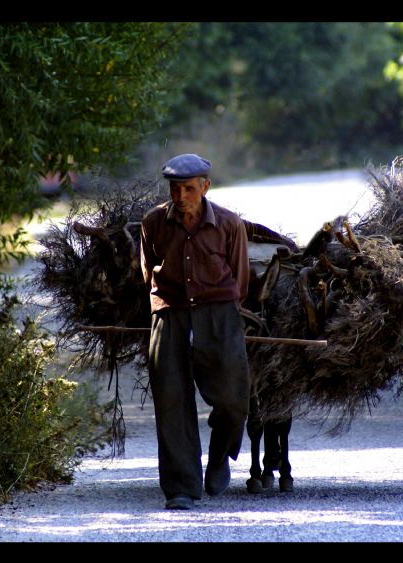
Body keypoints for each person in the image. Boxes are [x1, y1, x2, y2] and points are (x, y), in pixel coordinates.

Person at [139, 154, 251, 510]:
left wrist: (219, 308)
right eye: (175, 189)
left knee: (234, 397)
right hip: (170, 315)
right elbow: (147, 272)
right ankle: (181, 487)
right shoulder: (154, 222)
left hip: (218, 314)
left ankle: (219, 456)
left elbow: (240, 276)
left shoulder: (229, 224)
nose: (181, 196)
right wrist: (164, 306)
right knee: (171, 399)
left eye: (189, 188)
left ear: (205, 186)